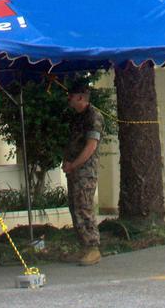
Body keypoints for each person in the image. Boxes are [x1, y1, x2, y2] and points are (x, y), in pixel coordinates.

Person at [62, 83, 104, 266]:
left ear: (80, 97)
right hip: (74, 170)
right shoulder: (77, 117)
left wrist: (74, 165)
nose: (68, 99)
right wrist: (67, 162)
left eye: (71, 95)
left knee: (84, 207)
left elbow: (91, 146)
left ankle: (92, 247)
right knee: (75, 207)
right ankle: (83, 247)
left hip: (85, 171)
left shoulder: (93, 116)